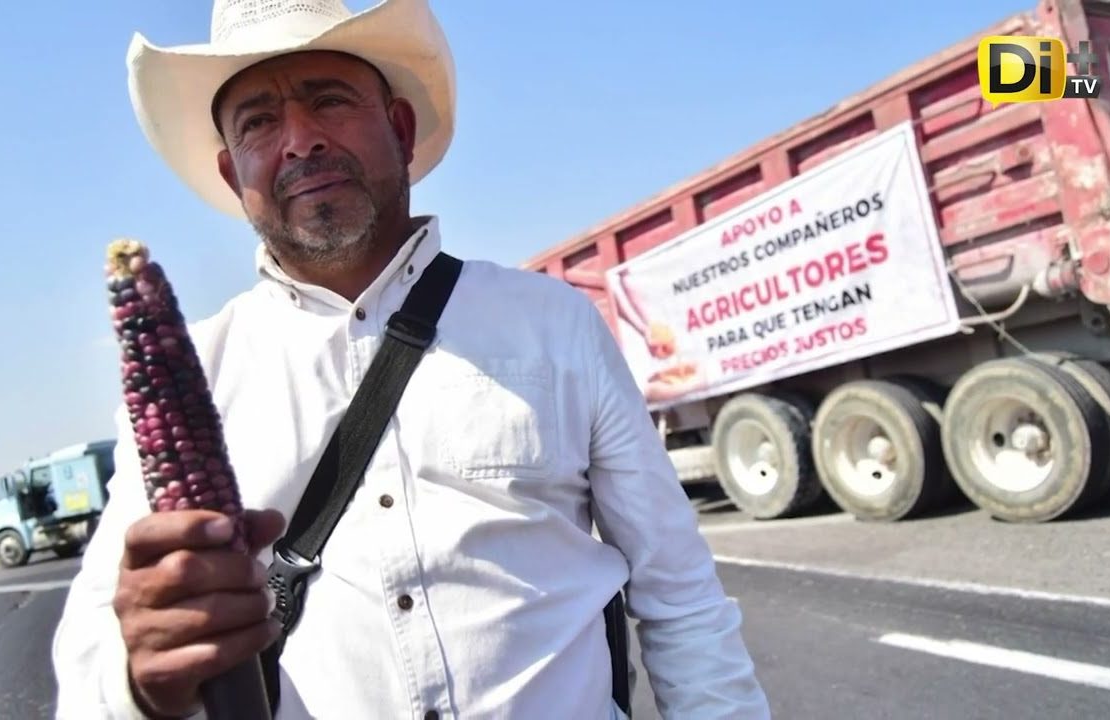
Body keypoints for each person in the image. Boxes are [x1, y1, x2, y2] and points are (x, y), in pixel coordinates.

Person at [51, 1, 772, 718]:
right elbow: (92, 673)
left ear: (399, 129)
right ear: (231, 170)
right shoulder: (203, 372)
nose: (300, 141)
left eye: (328, 101)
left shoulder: (554, 324)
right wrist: (140, 680)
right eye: (259, 123)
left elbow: (680, 597)